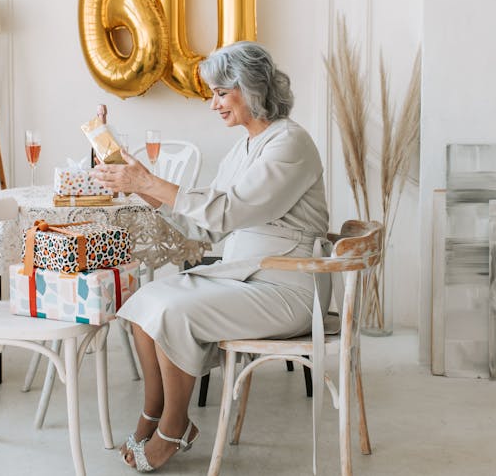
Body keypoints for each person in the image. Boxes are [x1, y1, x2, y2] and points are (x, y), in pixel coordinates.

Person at [90, 40, 329, 472]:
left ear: (251, 88)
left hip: (288, 286)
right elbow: (204, 226)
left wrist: (148, 178)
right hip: (243, 276)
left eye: (221, 92)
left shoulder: (289, 144)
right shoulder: (243, 148)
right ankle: (154, 414)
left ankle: (174, 426)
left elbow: (229, 209)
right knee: (142, 305)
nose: (214, 104)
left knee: (172, 312)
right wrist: (142, 187)